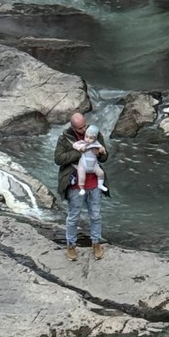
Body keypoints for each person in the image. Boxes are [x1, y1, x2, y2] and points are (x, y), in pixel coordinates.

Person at [54, 111, 108, 261]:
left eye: (85, 126)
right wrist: (80, 153)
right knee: (73, 217)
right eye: (80, 129)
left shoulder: (94, 132)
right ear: (72, 127)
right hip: (75, 184)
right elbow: (58, 159)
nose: (84, 130)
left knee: (96, 215)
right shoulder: (64, 138)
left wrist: (100, 153)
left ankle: (96, 243)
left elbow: (105, 157)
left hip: (94, 183)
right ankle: (71, 246)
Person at [75, 123, 103, 194]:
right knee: (81, 176)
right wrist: (80, 148)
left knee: (101, 173)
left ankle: (100, 184)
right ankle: (81, 188)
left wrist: (101, 151)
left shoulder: (96, 143)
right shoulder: (82, 143)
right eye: (86, 137)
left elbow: (103, 150)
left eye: (91, 138)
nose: (88, 139)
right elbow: (74, 145)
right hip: (84, 165)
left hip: (93, 166)